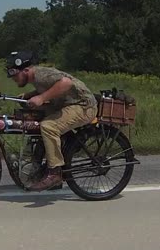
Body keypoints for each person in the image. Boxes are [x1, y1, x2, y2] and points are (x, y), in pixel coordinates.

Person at [5, 51, 98, 191]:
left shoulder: (41, 74)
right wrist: (29, 96)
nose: (13, 78)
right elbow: (49, 87)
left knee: (48, 126)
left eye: (15, 74)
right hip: (68, 104)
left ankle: (54, 173)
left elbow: (66, 83)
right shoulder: (36, 78)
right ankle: (37, 165)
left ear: (25, 70)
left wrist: (41, 98)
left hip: (84, 105)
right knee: (34, 119)